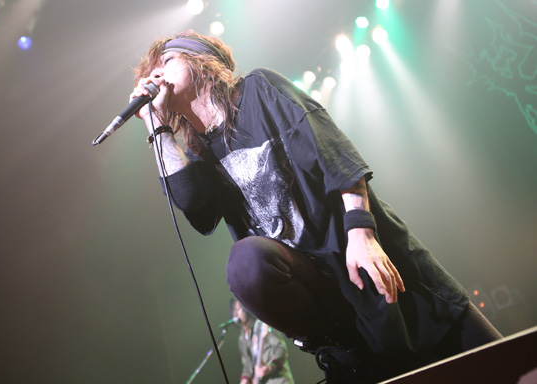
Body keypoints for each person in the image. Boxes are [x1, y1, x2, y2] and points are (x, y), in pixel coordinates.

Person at [129, 31, 502, 383]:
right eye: (150, 71)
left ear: (202, 61)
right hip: (320, 289)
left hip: (363, 260)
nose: (155, 74)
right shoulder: (200, 153)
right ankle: (332, 345)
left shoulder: (258, 89)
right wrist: (157, 127)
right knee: (246, 261)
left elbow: (332, 152)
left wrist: (362, 232)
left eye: (166, 61)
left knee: (504, 366)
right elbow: (190, 201)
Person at [230, 297, 294, 384]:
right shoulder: (242, 339)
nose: (235, 313)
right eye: (233, 311)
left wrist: (270, 367)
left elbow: (280, 348)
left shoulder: (262, 325)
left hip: (278, 380)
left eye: (238, 309)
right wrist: (244, 380)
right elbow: (247, 364)